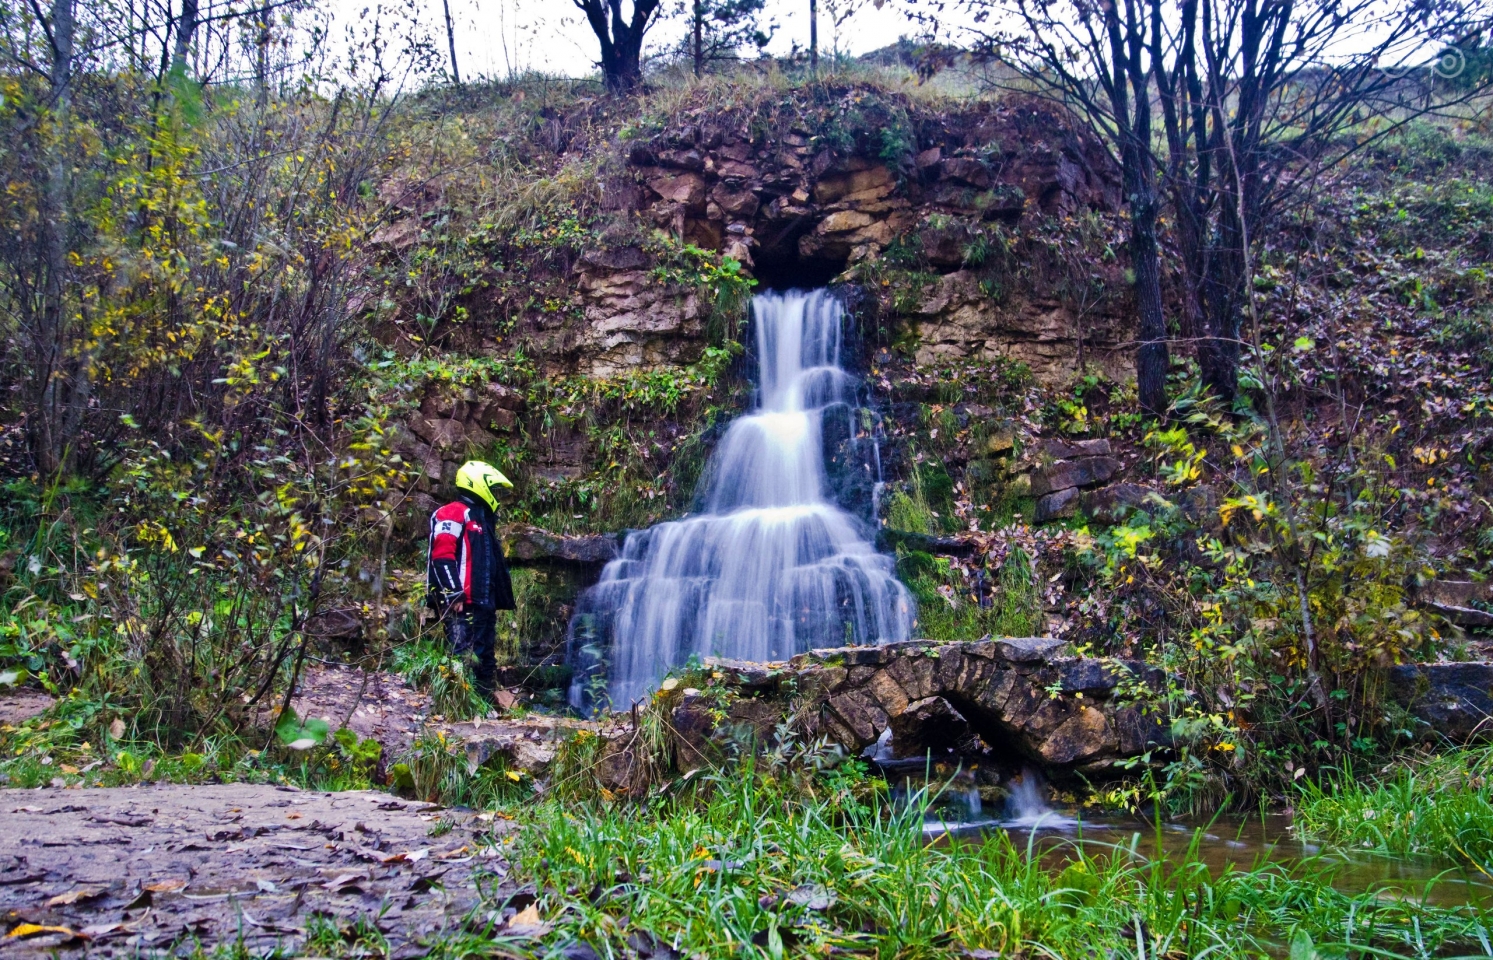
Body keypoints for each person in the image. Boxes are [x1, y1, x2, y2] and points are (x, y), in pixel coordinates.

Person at [427, 460, 516, 703]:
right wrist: (452, 593)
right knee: (462, 654)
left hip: (483, 601)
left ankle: (484, 704)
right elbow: (442, 555)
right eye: (493, 488)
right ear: (478, 484)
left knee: (486, 655)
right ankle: (458, 705)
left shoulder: (483, 519)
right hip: (462, 602)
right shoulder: (452, 512)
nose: (495, 495)